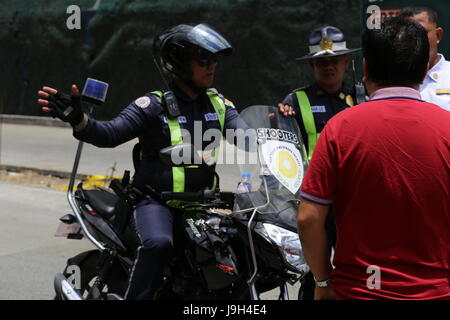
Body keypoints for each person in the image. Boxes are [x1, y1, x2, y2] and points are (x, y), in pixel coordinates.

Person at [37, 23, 239, 300]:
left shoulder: (219, 105)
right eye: (203, 59)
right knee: (157, 243)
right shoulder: (152, 106)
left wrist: (277, 129)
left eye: (214, 58)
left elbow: (248, 137)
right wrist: (77, 118)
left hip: (200, 205)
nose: (212, 65)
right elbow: (109, 134)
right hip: (156, 203)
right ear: (180, 63)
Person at [297, 17, 450, 300]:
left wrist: (321, 281)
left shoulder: (340, 128)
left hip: (359, 291)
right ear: (422, 70)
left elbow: (308, 218)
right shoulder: (447, 127)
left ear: (365, 69)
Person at [278, 26, 360, 299]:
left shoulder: (362, 98)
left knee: (356, 270)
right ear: (312, 64)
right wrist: (279, 119)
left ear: (346, 61)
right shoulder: (294, 102)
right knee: (316, 273)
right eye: (322, 62)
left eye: (334, 60)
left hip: (352, 202)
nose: (329, 66)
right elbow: (281, 151)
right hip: (316, 204)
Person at [399, 6, 450, 111]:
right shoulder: (391, 78)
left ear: (438, 35)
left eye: (421, 32)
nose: (415, 40)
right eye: (407, 34)